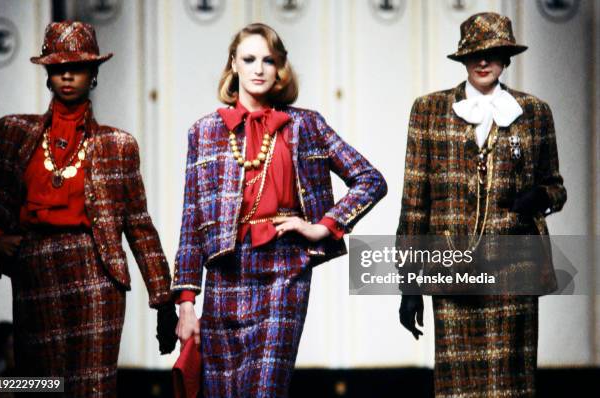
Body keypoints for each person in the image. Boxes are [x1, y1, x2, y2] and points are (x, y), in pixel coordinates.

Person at [173, 23, 387, 397]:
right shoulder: (205, 132)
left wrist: (325, 226)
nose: (258, 69)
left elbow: (370, 180)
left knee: (265, 389)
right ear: (233, 66)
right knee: (224, 391)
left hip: (284, 273)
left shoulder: (306, 125)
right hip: (226, 274)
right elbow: (192, 222)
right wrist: (187, 304)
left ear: (280, 69)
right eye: (249, 59)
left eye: (268, 60)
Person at [0, 21, 178, 396]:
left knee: (93, 388)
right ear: (47, 73)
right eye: (58, 67)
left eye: (77, 66)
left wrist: (164, 300)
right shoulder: (13, 132)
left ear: (94, 74)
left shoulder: (117, 145)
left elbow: (138, 225)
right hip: (35, 269)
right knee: (36, 386)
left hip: (96, 272)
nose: (68, 75)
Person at [396, 12, 566, 397]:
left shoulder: (534, 112)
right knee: (458, 387)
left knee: (512, 387)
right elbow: (414, 202)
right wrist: (410, 284)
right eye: (475, 53)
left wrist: (541, 197)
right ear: (464, 59)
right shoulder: (429, 111)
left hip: (515, 268)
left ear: (506, 58)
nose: (484, 61)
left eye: (493, 53)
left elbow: (555, 186)